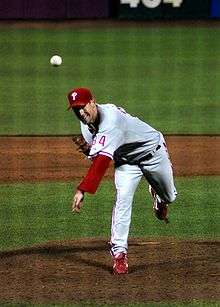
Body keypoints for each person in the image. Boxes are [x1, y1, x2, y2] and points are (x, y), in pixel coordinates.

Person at [67, 87, 177, 275]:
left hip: (153, 153)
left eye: (83, 107)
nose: (80, 113)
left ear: (93, 102)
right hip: (126, 163)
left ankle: (159, 196)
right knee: (123, 200)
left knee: (170, 196)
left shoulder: (111, 120)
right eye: (76, 109)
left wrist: (82, 189)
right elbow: (99, 154)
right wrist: (89, 150)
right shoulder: (86, 125)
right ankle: (119, 254)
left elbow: (102, 161)